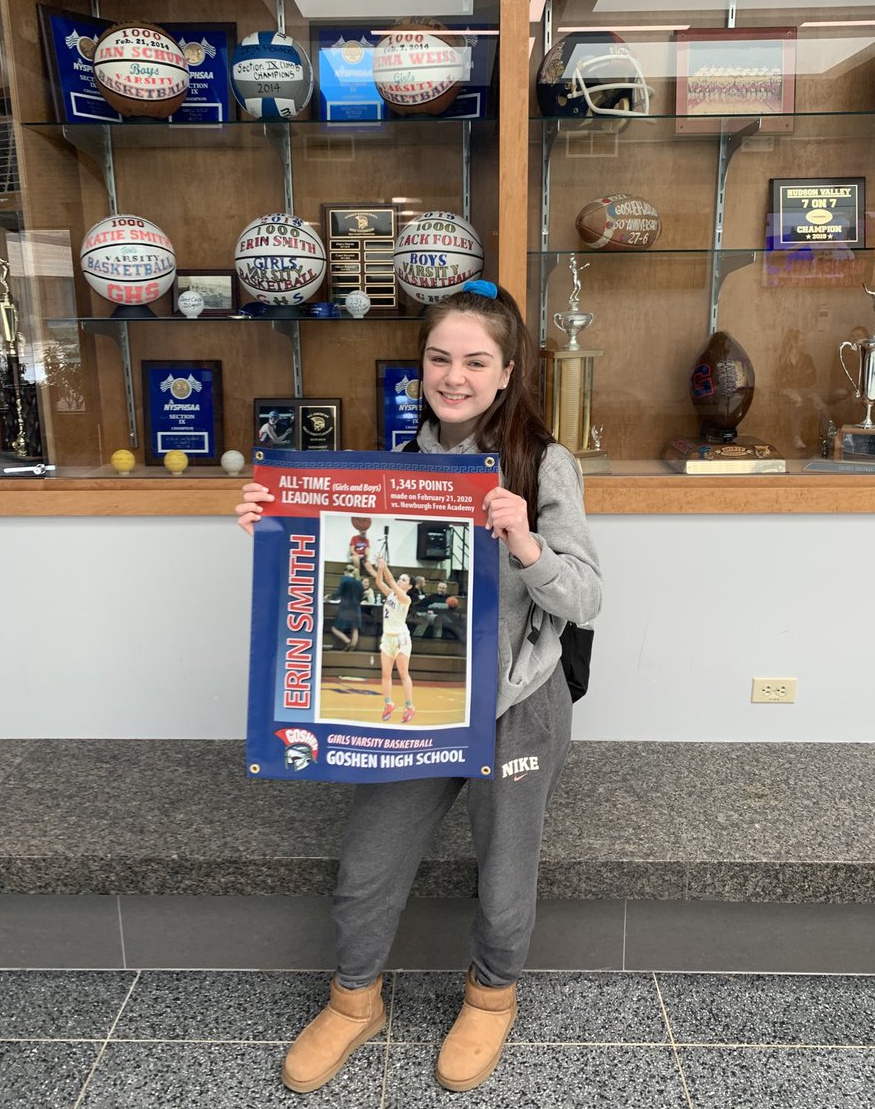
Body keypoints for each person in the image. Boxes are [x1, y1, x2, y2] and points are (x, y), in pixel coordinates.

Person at [234, 278, 602, 1096]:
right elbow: (354, 579)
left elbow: (586, 596)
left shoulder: (545, 462)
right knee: (368, 864)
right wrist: (280, 527)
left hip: (516, 707)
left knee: (506, 869)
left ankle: (491, 996)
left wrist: (527, 542)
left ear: (506, 373)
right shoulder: (396, 466)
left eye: (476, 361)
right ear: (421, 367)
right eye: (440, 358)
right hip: (427, 702)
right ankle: (355, 1000)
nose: (455, 376)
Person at [371, 556, 416, 725]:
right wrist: (380, 568)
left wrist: (385, 566)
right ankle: (388, 703)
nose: (400, 580)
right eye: (400, 578)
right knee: (385, 674)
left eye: (404, 579)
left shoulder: (405, 599)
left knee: (403, 674)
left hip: (401, 638)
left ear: (409, 586)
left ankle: (410, 706)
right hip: (387, 637)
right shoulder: (391, 595)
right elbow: (379, 581)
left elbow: (389, 580)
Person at [325, 564, 363, 651]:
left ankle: (347, 641)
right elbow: (361, 596)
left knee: (334, 628)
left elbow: (339, 593)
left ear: (345, 571)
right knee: (355, 628)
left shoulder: (345, 579)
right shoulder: (359, 582)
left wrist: (330, 596)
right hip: (356, 608)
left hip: (345, 608)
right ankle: (352, 647)